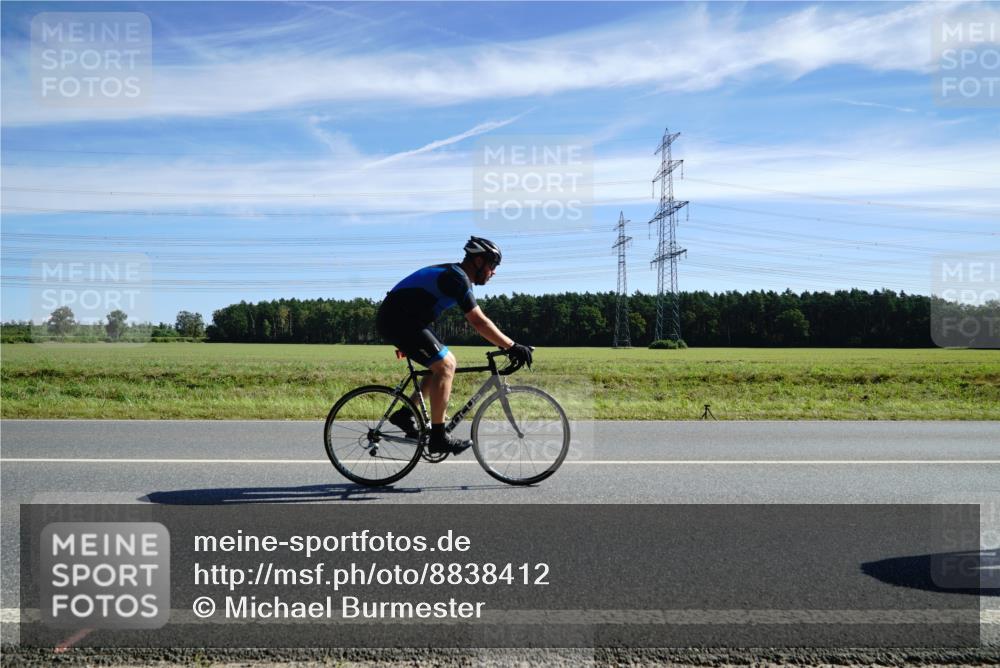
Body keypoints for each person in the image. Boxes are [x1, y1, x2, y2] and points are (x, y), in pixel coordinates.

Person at [375, 236, 533, 454]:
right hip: (398, 320)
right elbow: (479, 321)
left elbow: (418, 303)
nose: (494, 271)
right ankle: (438, 438)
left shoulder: (455, 276)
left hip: (402, 319)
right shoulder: (457, 278)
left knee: (439, 362)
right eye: (493, 265)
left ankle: (405, 413)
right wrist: (512, 346)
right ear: (478, 261)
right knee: (446, 364)